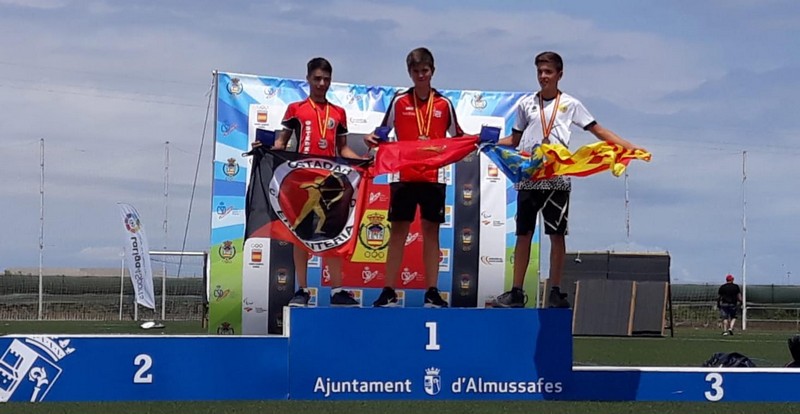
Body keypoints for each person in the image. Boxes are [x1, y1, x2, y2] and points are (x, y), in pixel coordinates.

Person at [493, 51, 646, 308]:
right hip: (530, 175)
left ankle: (554, 290)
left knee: (557, 235)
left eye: (548, 72)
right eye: (540, 71)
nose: (543, 76)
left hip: (558, 176)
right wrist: (489, 142)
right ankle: (516, 291)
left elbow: (598, 130)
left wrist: (629, 146)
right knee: (523, 234)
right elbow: (515, 140)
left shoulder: (571, 104)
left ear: (559, 75)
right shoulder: (526, 104)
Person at [253, 57, 364, 308]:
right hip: (302, 181)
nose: (322, 84)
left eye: (326, 79)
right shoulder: (296, 109)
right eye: (317, 79)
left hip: (331, 183)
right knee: (301, 235)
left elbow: (343, 149)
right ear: (308, 79)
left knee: (333, 234)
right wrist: (265, 148)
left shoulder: (338, 113)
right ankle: (302, 290)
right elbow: (282, 144)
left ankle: (337, 290)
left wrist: (365, 161)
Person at [364, 47, 464, 308]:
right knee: (398, 232)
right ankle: (388, 290)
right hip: (404, 175)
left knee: (431, 233)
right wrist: (371, 138)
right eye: (416, 71)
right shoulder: (399, 101)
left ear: (433, 71)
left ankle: (432, 291)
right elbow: (382, 132)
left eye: (425, 71)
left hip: (432, 177)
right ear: (409, 73)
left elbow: (459, 136)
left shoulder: (444, 104)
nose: (421, 75)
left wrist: (479, 140)